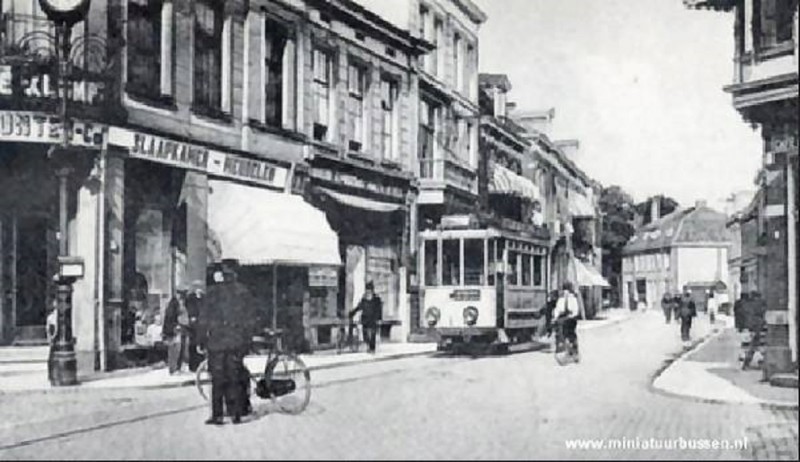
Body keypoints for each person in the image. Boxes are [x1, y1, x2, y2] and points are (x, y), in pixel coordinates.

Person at [197, 260, 258, 425]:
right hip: (236, 343)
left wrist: (201, 340)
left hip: (216, 342)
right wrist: (247, 341)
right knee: (234, 377)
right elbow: (251, 320)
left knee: (217, 379)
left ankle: (217, 415)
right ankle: (236, 414)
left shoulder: (212, 293)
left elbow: (203, 319)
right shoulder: (243, 292)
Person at [350, 281, 383, 354]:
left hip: (373, 319)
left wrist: (379, 319)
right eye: (367, 290)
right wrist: (352, 312)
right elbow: (359, 307)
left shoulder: (376, 299)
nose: (368, 292)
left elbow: (379, 309)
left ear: (372, 290)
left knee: (373, 334)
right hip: (365, 319)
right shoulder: (363, 299)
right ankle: (368, 345)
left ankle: (372, 348)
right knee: (365, 334)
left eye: (369, 290)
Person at [163, 288, 190, 374]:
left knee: (182, 348)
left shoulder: (181, 304)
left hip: (182, 328)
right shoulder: (173, 305)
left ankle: (179, 367)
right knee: (175, 349)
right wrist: (175, 326)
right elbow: (170, 317)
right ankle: (174, 368)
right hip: (176, 329)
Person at [553, 282, 581, 356]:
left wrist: (572, 315)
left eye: (567, 290)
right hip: (562, 318)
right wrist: (555, 317)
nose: (566, 292)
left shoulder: (573, 299)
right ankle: (560, 346)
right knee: (559, 330)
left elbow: (576, 310)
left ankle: (574, 349)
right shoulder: (561, 299)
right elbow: (557, 309)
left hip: (571, 318)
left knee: (571, 333)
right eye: (564, 290)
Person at [742, 291, 766, 370]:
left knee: (753, 347)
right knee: (757, 346)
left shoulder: (750, 305)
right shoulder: (759, 304)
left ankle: (747, 363)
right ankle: (762, 362)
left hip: (755, 327)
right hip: (759, 327)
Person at [185, 281, 204, 372]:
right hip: (193, 325)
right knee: (193, 344)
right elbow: (189, 308)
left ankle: (201, 364)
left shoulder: (204, 297)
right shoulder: (190, 298)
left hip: (202, 324)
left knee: (201, 343)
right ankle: (193, 366)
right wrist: (192, 316)